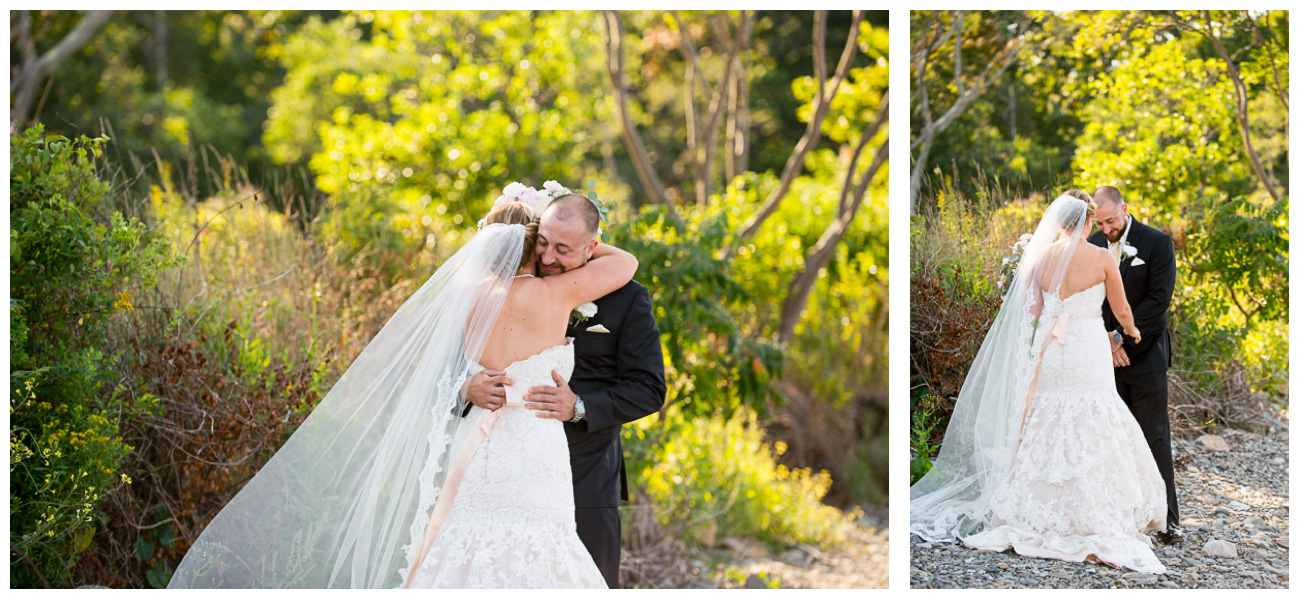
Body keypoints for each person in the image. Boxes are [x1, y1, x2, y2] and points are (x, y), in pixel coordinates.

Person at [169, 184, 638, 588]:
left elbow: (435, 366)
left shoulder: (466, 295)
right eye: (544, 245)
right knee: (542, 546)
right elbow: (627, 262)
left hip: (476, 447)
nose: (550, 257)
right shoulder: (558, 293)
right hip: (534, 447)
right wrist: (579, 243)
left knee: (463, 542)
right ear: (533, 243)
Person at [911, 191, 1168, 573]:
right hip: (1085, 347)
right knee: (1093, 413)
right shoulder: (1100, 257)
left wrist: (1052, 319)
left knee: (1048, 414)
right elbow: (1121, 308)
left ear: (1059, 221)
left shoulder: (1040, 257)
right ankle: (1090, 513)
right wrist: (1129, 331)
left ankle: (1035, 511)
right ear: (1086, 222)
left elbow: (1031, 313)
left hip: (1051, 349)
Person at [462, 194, 667, 588]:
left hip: (586, 474)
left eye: (563, 248)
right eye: (543, 242)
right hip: (497, 470)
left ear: (592, 247)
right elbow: (452, 362)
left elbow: (649, 388)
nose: (550, 257)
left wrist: (580, 406)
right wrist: (465, 386)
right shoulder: (497, 286)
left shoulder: (626, 298)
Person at [1086, 185, 1181, 544]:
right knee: (1110, 441)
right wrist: (1107, 341)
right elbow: (1087, 301)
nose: (1106, 229)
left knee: (1154, 435)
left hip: (1147, 356)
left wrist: (1119, 338)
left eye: (1110, 220)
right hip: (1101, 359)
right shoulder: (1091, 245)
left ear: (1125, 208)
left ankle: (1169, 519)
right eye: (1099, 222)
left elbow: (1159, 300)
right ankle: (1122, 518)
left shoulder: (1157, 242)